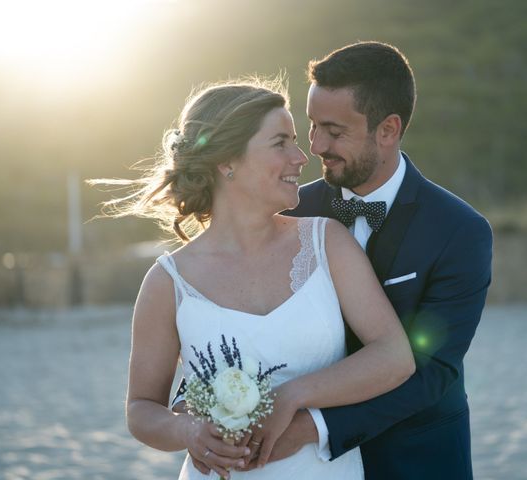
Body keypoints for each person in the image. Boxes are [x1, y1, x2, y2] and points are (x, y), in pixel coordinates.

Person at [183, 41, 494, 479]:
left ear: (387, 130)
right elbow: (229, 315)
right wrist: (205, 398)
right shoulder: (287, 209)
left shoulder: (459, 231)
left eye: (333, 130)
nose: (314, 146)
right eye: (311, 126)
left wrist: (313, 427)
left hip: (414, 460)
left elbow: (432, 371)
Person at [97, 79, 416, 479]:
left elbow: (394, 356)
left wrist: (292, 395)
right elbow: (141, 408)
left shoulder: (326, 242)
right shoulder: (167, 282)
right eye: (280, 142)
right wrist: (188, 430)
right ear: (227, 160)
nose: (302, 157)